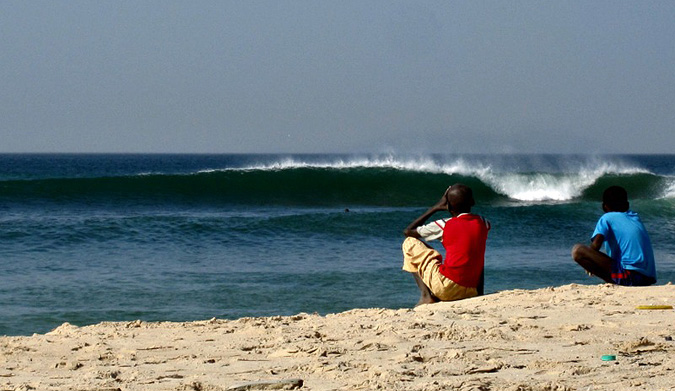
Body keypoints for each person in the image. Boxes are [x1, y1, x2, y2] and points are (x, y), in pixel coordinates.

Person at [402, 184, 490, 306]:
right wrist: (479, 292)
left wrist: (435, 208)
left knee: (409, 243)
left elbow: (408, 232)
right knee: (475, 253)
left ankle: (426, 296)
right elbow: (478, 259)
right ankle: (477, 292)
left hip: (446, 289)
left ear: (448, 206)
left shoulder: (444, 224)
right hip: (471, 290)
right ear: (473, 202)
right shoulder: (483, 223)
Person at [571, 186, 656, 286]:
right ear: (627, 205)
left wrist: (589, 265)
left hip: (629, 277)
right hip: (647, 278)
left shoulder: (607, 217)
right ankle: (617, 279)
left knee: (578, 251)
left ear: (604, 207)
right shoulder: (635, 216)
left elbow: (596, 246)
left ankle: (615, 281)